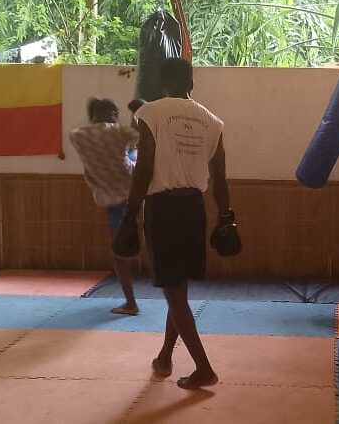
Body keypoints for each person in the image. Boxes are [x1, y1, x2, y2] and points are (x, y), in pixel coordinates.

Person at [123, 58, 231, 389]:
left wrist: (130, 214)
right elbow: (220, 177)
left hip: (165, 208)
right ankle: (165, 357)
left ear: (161, 82)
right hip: (195, 209)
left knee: (174, 292)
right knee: (178, 287)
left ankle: (203, 368)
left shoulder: (150, 113)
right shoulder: (212, 121)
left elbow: (143, 168)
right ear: (191, 84)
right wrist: (226, 216)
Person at [69, 98, 139, 315]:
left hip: (112, 201)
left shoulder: (78, 136)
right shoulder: (118, 132)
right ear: (113, 113)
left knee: (120, 255)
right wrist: (137, 114)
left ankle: (130, 302)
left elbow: (89, 132)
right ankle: (170, 299)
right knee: (153, 249)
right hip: (138, 193)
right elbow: (141, 136)